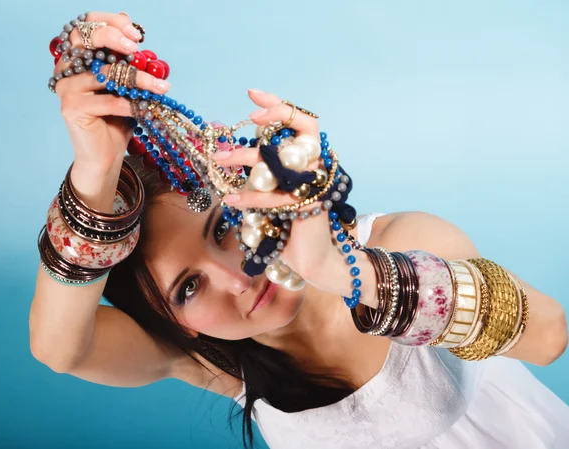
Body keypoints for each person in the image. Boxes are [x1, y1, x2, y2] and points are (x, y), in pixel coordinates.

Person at [30, 11, 569, 449]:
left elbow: (549, 337)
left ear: (255, 194)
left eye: (224, 230)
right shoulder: (216, 360)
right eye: (188, 288)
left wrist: (345, 272)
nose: (236, 279)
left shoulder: (402, 240)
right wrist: (94, 175)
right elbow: (61, 350)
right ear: (180, 323)